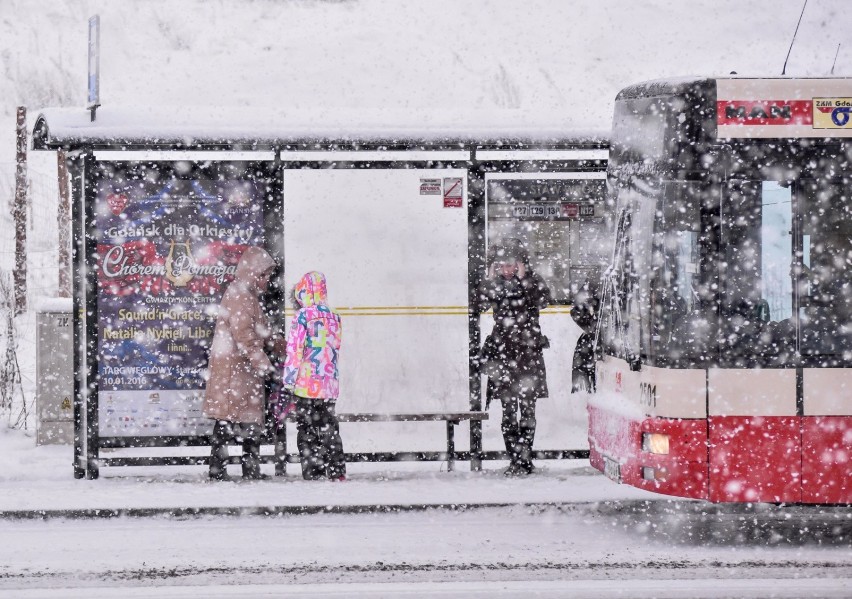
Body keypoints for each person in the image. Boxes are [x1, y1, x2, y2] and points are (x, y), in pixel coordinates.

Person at [203, 246, 285, 481]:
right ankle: (229, 471)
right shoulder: (241, 297)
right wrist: (265, 366)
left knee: (239, 421)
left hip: (239, 371)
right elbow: (246, 337)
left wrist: (279, 343)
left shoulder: (246, 295)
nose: (268, 280)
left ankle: (237, 470)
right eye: (265, 275)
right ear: (254, 274)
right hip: (234, 372)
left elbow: (258, 328)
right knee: (232, 421)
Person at [478, 239, 552, 476]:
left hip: (527, 355)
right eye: (501, 266)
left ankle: (526, 459)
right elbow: (479, 304)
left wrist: (524, 279)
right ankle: (514, 459)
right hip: (503, 354)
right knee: (508, 410)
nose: (506, 270)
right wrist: (489, 280)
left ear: (520, 265)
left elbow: (542, 301)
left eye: (511, 265)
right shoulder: (495, 285)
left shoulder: (531, 282)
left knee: (528, 411)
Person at [281, 271, 345, 481]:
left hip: (306, 384)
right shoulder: (335, 316)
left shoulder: (302, 316)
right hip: (329, 384)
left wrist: (289, 380)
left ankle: (313, 471)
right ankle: (337, 471)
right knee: (329, 428)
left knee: (307, 429)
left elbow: (294, 350)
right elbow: (335, 348)